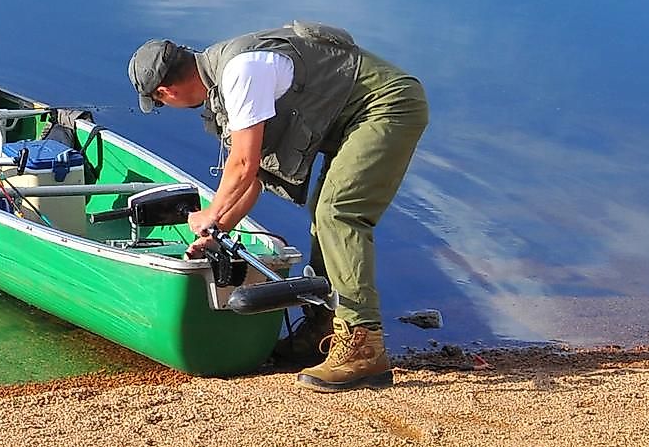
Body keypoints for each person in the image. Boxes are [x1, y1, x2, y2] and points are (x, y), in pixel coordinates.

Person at [128, 23, 428, 393]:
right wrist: (217, 231)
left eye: (158, 103)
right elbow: (253, 180)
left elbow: (242, 166)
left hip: (387, 106)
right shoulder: (224, 80)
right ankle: (323, 329)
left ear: (165, 91)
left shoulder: (240, 73)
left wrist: (208, 214)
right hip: (355, 117)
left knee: (339, 213)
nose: (165, 106)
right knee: (325, 215)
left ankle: (363, 347)